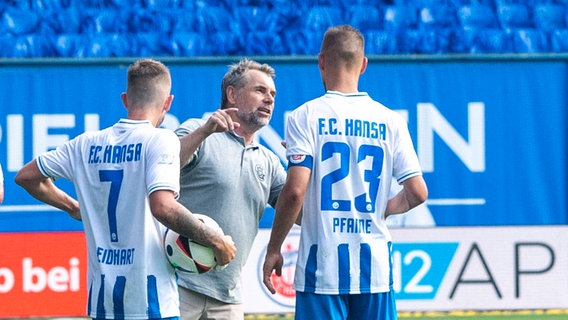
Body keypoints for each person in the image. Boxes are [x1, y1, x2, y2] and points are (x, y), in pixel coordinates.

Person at [14, 58, 236, 320]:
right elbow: (163, 206)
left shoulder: (85, 144)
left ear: (125, 99)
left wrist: (73, 207)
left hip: (103, 300)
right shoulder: (160, 139)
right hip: (150, 301)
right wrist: (215, 240)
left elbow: (26, 176)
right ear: (168, 103)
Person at [262, 25, 428, 320]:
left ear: (321, 61)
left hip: (321, 268)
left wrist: (274, 248)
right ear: (363, 64)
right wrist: (383, 209)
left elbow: (295, 190)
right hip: (374, 267)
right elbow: (417, 192)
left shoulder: (306, 115)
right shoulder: (391, 120)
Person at [174, 58, 287, 320]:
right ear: (232, 94)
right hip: (180, 286)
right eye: (260, 90)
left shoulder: (268, 161)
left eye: (272, 93)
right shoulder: (197, 130)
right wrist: (204, 132)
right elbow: (164, 166)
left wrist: (302, 165)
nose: (269, 99)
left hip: (229, 296)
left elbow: (299, 212)